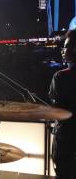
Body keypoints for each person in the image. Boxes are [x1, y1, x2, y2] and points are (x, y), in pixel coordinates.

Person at [49, 29, 76, 179]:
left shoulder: (60, 77)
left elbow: (56, 109)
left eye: (65, 47)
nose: (63, 51)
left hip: (65, 141)